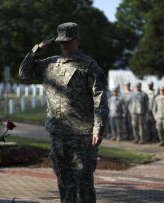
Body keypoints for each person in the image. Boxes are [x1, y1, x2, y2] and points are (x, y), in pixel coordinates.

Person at [19, 22, 109, 202]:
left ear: (78, 40)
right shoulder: (49, 64)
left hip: (81, 135)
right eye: (61, 42)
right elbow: (24, 74)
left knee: (83, 183)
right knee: (64, 181)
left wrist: (98, 128)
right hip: (57, 134)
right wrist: (37, 50)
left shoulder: (88, 65)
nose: (64, 45)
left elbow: (100, 98)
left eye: (68, 41)